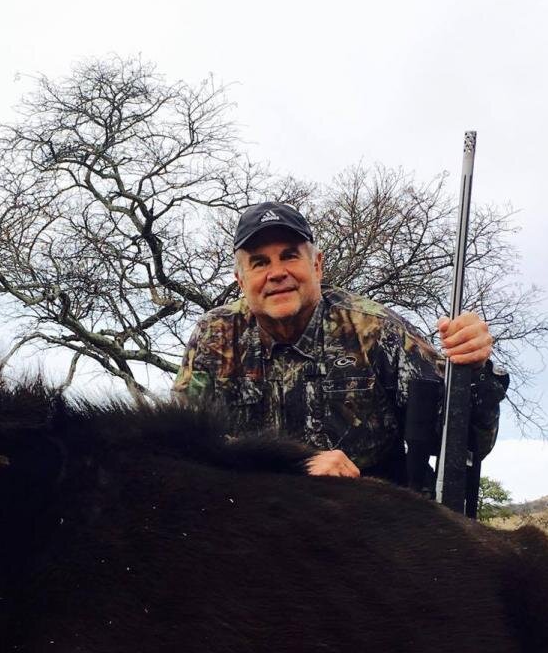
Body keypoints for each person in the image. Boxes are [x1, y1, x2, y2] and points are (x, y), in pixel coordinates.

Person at [172, 201, 506, 483]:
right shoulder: (214, 335)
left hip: (366, 516)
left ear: (317, 266)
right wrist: (293, 464)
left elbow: (463, 442)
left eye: (290, 256)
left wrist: (473, 371)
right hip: (257, 515)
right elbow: (184, 446)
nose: (276, 273)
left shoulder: (375, 329)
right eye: (260, 262)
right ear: (241, 280)